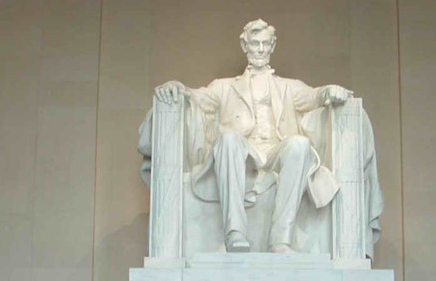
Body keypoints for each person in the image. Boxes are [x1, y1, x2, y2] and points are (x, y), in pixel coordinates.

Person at [148, 19, 379, 254]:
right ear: (244, 45)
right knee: (228, 139)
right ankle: (235, 232)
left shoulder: (288, 86)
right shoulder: (225, 86)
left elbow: (313, 96)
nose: (260, 49)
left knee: (300, 144)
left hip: (275, 150)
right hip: (243, 151)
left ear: (273, 46)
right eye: (255, 43)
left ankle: (281, 239)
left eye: (265, 44)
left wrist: (329, 90)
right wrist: (179, 87)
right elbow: (199, 97)